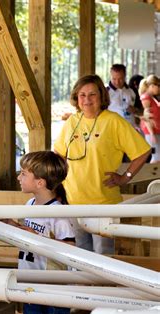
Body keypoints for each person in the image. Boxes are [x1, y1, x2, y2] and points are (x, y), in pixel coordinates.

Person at [54, 74, 151, 254]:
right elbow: (58, 155)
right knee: (80, 257)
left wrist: (125, 177)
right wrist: (57, 188)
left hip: (104, 204)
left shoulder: (113, 121)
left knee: (103, 258)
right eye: (82, 95)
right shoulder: (72, 122)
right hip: (73, 202)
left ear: (102, 96)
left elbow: (143, 151)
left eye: (92, 94)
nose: (87, 99)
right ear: (76, 97)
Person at [5, 151, 75, 314]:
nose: (19, 177)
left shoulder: (58, 213)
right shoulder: (29, 205)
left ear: (40, 182)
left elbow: (70, 247)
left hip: (53, 285)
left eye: (23, 173)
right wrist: (9, 224)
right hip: (30, 280)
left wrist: (37, 237)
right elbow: (25, 234)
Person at [106, 64, 137, 129]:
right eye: (114, 79)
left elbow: (140, 110)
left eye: (120, 79)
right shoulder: (105, 92)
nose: (117, 82)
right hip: (113, 128)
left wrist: (135, 110)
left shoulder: (132, 91)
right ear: (110, 76)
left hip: (130, 128)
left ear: (125, 76)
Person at [139, 75, 160, 163]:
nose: (159, 88)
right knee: (156, 157)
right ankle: (153, 176)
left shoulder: (152, 98)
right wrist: (151, 134)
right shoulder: (146, 97)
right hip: (151, 131)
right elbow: (146, 117)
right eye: (158, 86)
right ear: (152, 86)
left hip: (156, 130)